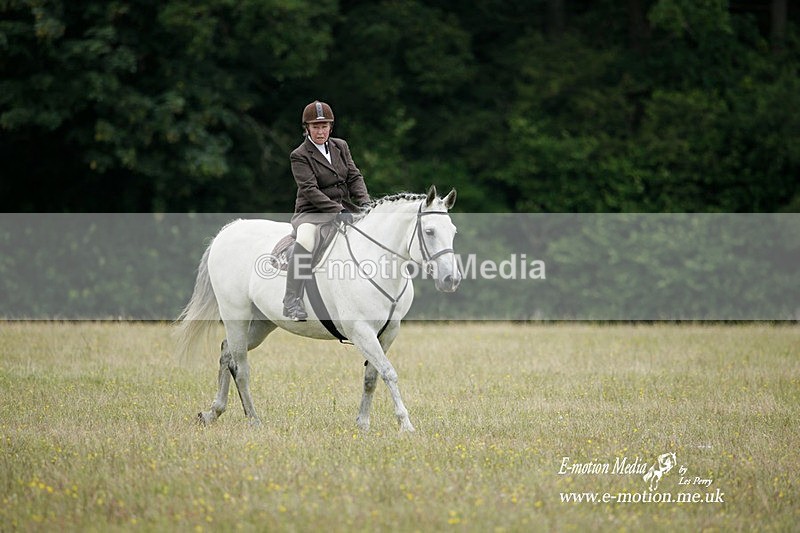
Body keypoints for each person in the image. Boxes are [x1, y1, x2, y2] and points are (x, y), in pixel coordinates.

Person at [282, 100, 371, 321]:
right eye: (315, 127)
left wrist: (366, 204)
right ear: (307, 128)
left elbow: (354, 177)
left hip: (343, 208)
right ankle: (291, 299)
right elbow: (309, 190)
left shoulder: (341, 146)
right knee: (306, 240)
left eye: (324, 126)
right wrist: (337, 211)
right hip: (311, 212)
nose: (320, 131)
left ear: (331, 127)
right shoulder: (299, 155)